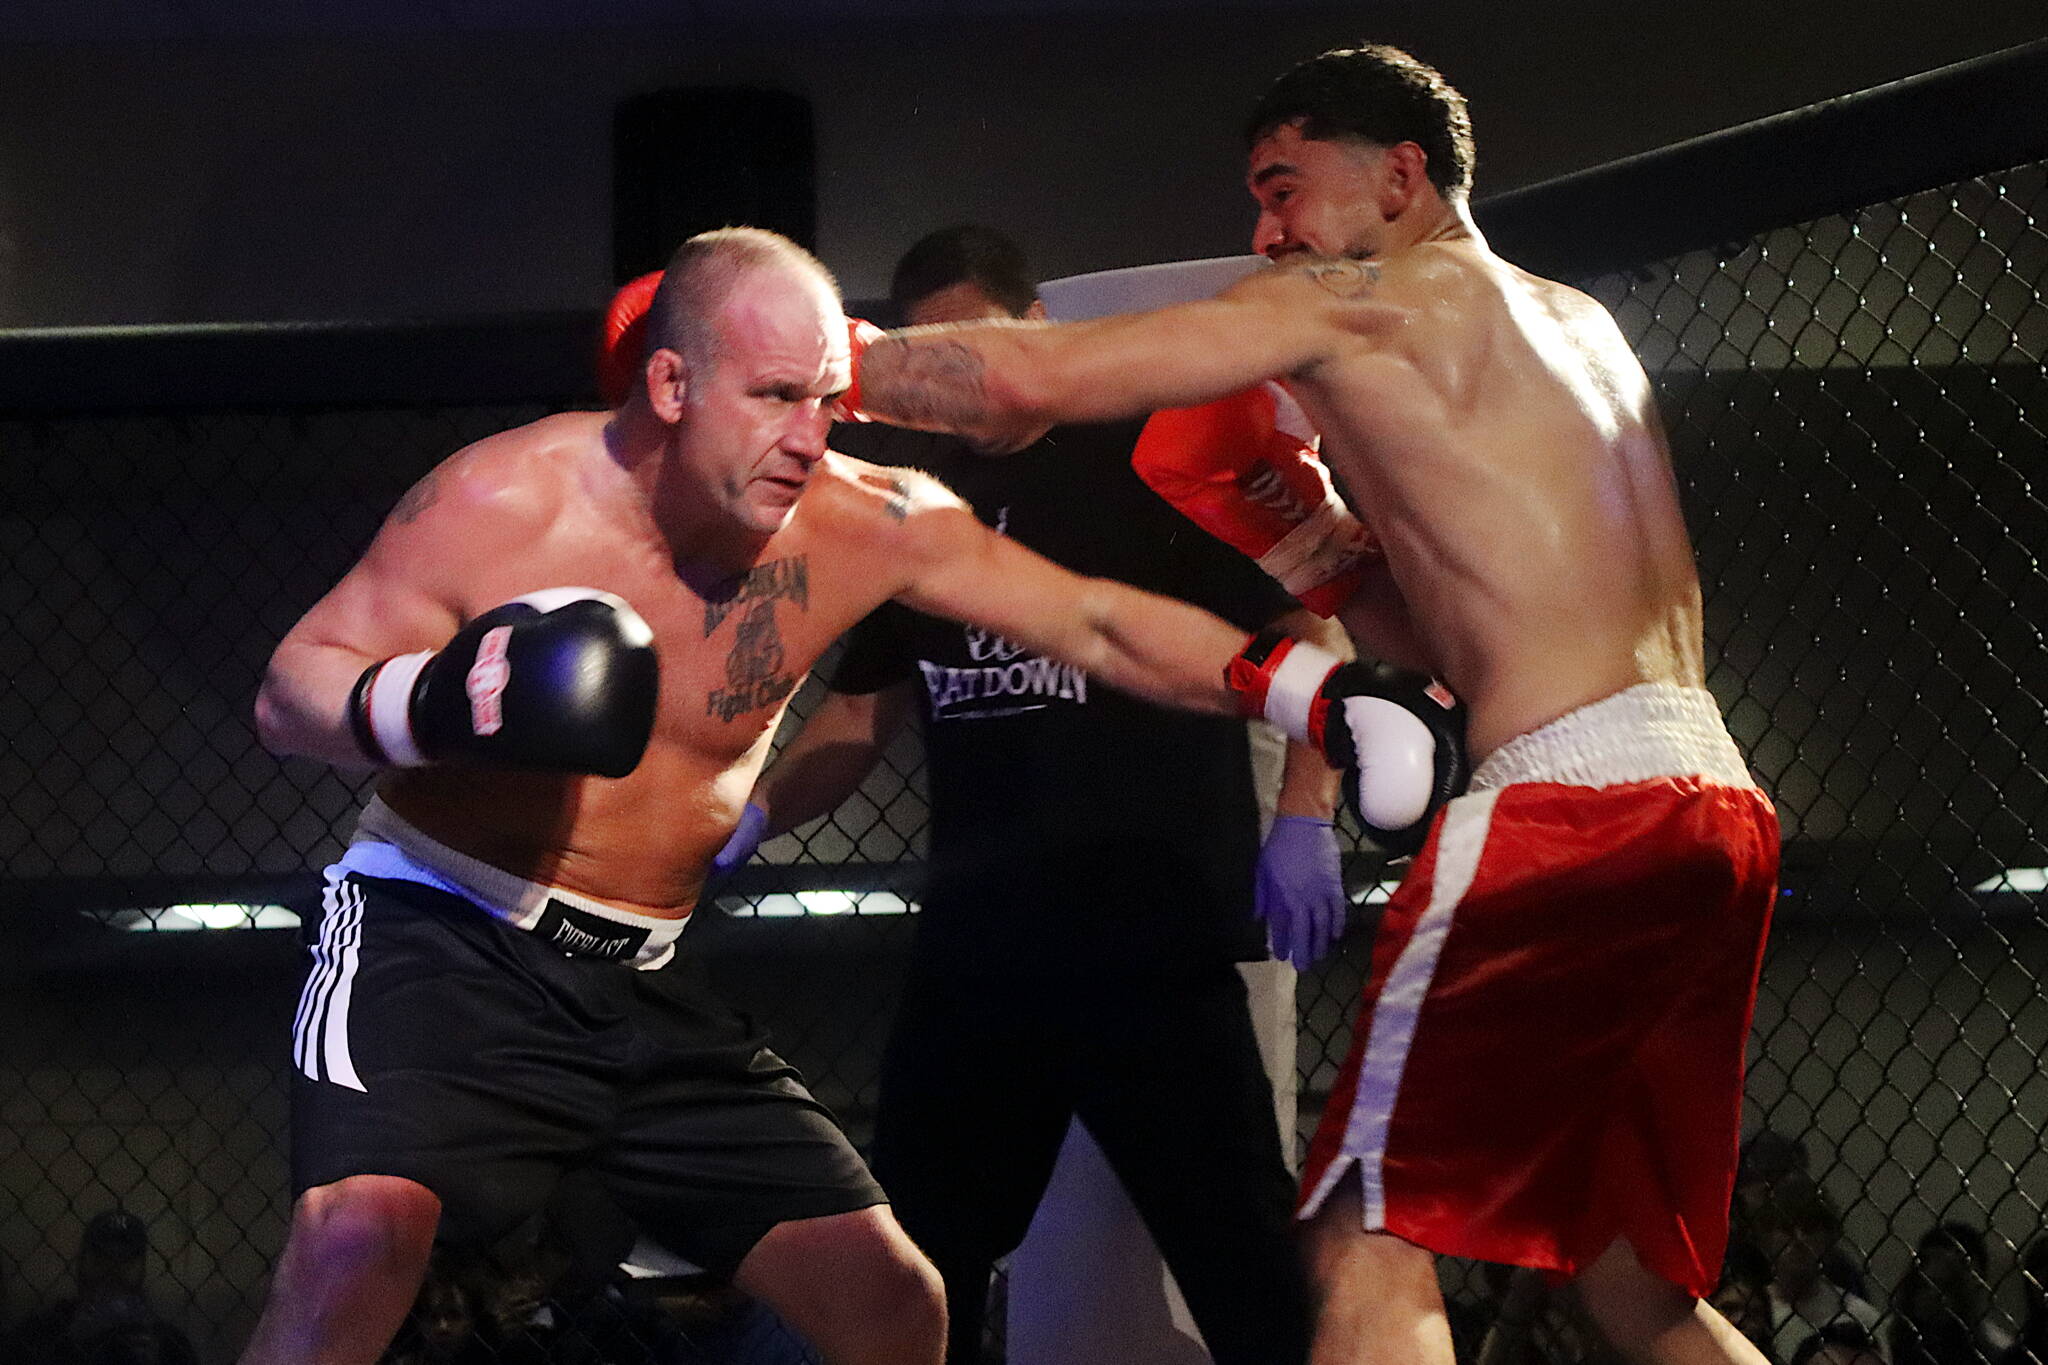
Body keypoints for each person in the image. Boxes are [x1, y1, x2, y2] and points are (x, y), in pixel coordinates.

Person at [245, 225, 1457, 1365]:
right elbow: (293, 685)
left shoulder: (871, 523)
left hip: (652, 978)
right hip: (448, 938)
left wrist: (1304, 697)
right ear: (670, 387)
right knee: (361, 1237)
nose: (808, 436)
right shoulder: (504, 501)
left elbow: (1092, 621)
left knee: (894, 1298)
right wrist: (432, 703)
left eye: (829, 399)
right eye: (774, 397)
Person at [841, 42, 1783, 1365]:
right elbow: (1439, 632)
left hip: (1567, 806)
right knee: (1629, 1280)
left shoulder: (1363, 298)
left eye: (1288, 186)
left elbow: (1029, 381)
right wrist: (1302, 532)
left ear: (1401, 174)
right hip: (1715, 804)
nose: (1266, 228)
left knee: (1358, 1244)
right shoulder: (1579, 324)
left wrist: (814, 362)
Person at [719, 223, 1334, 1363]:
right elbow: (858, 714)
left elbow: (1307, 624)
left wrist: (1305, 813)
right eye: (932, 360)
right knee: (914, 1272)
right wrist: (751, 815)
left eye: (979, 350)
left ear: (1036, 331)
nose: (959, 385)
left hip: (1152, 937)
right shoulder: (911, 497)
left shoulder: (1146, 458)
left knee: (1247, 1274)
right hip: (982, 951)